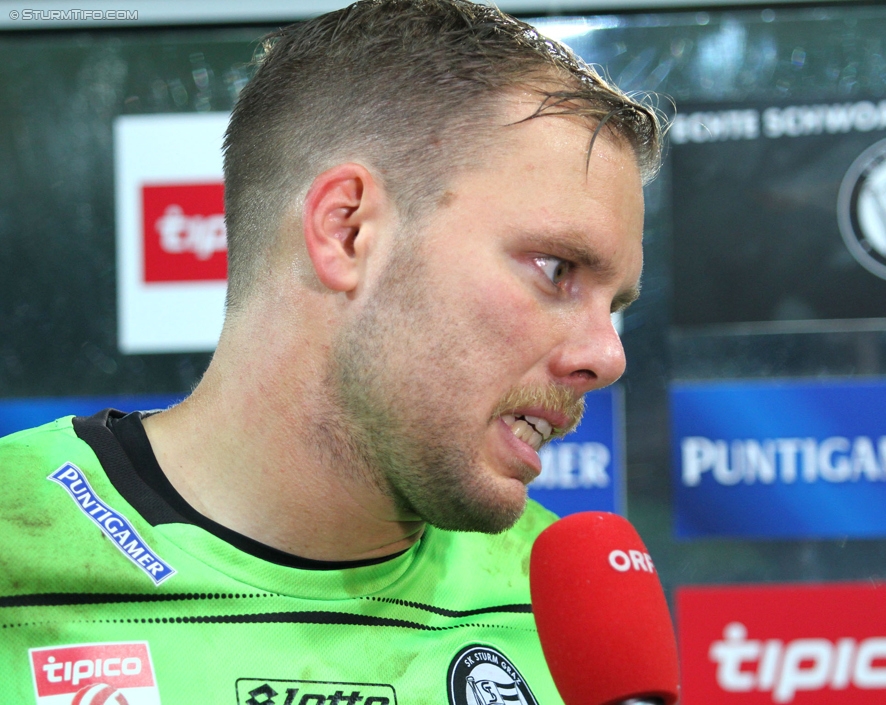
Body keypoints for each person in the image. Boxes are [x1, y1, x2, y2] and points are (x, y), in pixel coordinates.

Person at [0, 1, 659, 702]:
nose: (607, 356)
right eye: (557, 269)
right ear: (347, 232)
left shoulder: (570, 614)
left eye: (614, 304)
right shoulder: (17, 541)